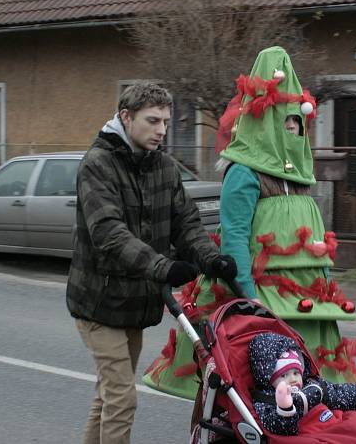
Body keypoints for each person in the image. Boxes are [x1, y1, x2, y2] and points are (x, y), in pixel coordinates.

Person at [143, 47, 356, 400]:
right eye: (286, 123)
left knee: (309, 388)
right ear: (265, 124)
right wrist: (248, 298)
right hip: (257, 302)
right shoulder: (244, 173)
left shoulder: (298, 177)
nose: (294, 131)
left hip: (306, 307)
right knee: (257, 390)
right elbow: (234, 237)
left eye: (298, 123)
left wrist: (325, 287)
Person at [66, 80, 236, 444]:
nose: (161, 130)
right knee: (122, 399)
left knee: (108, 397)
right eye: (152, 120)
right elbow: (109, 233)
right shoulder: (97, 165)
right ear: (126, 117)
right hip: (99, 302)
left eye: (166, 122)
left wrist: (211, 259)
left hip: (135, 303)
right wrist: (163, 267)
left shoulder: (164, 167)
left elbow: (186, 223)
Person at [248, 332, 356, 436]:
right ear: (269, 378)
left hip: (330, 421)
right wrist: (285, 408)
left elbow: (336, 393)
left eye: (296, 373)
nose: (293, 379)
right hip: (308, 433)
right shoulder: (265, 400)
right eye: (284, 375)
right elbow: (278, 428)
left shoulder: (310, 384)